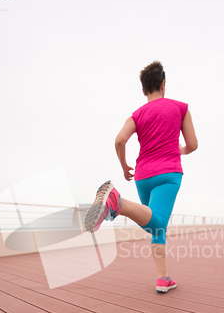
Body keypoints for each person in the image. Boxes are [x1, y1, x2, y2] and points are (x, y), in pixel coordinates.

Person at [85, 61, 198, 292]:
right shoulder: (180, 108)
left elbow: (119, 140)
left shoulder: (136, 115)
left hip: (143, 176)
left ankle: (162, 278)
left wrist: (124, 165)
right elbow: (193, 144)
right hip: (168, 173)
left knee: (156, 227)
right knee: (157, 222)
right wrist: (180, 150)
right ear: (163, 84)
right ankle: (117, 202)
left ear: (144, 90)